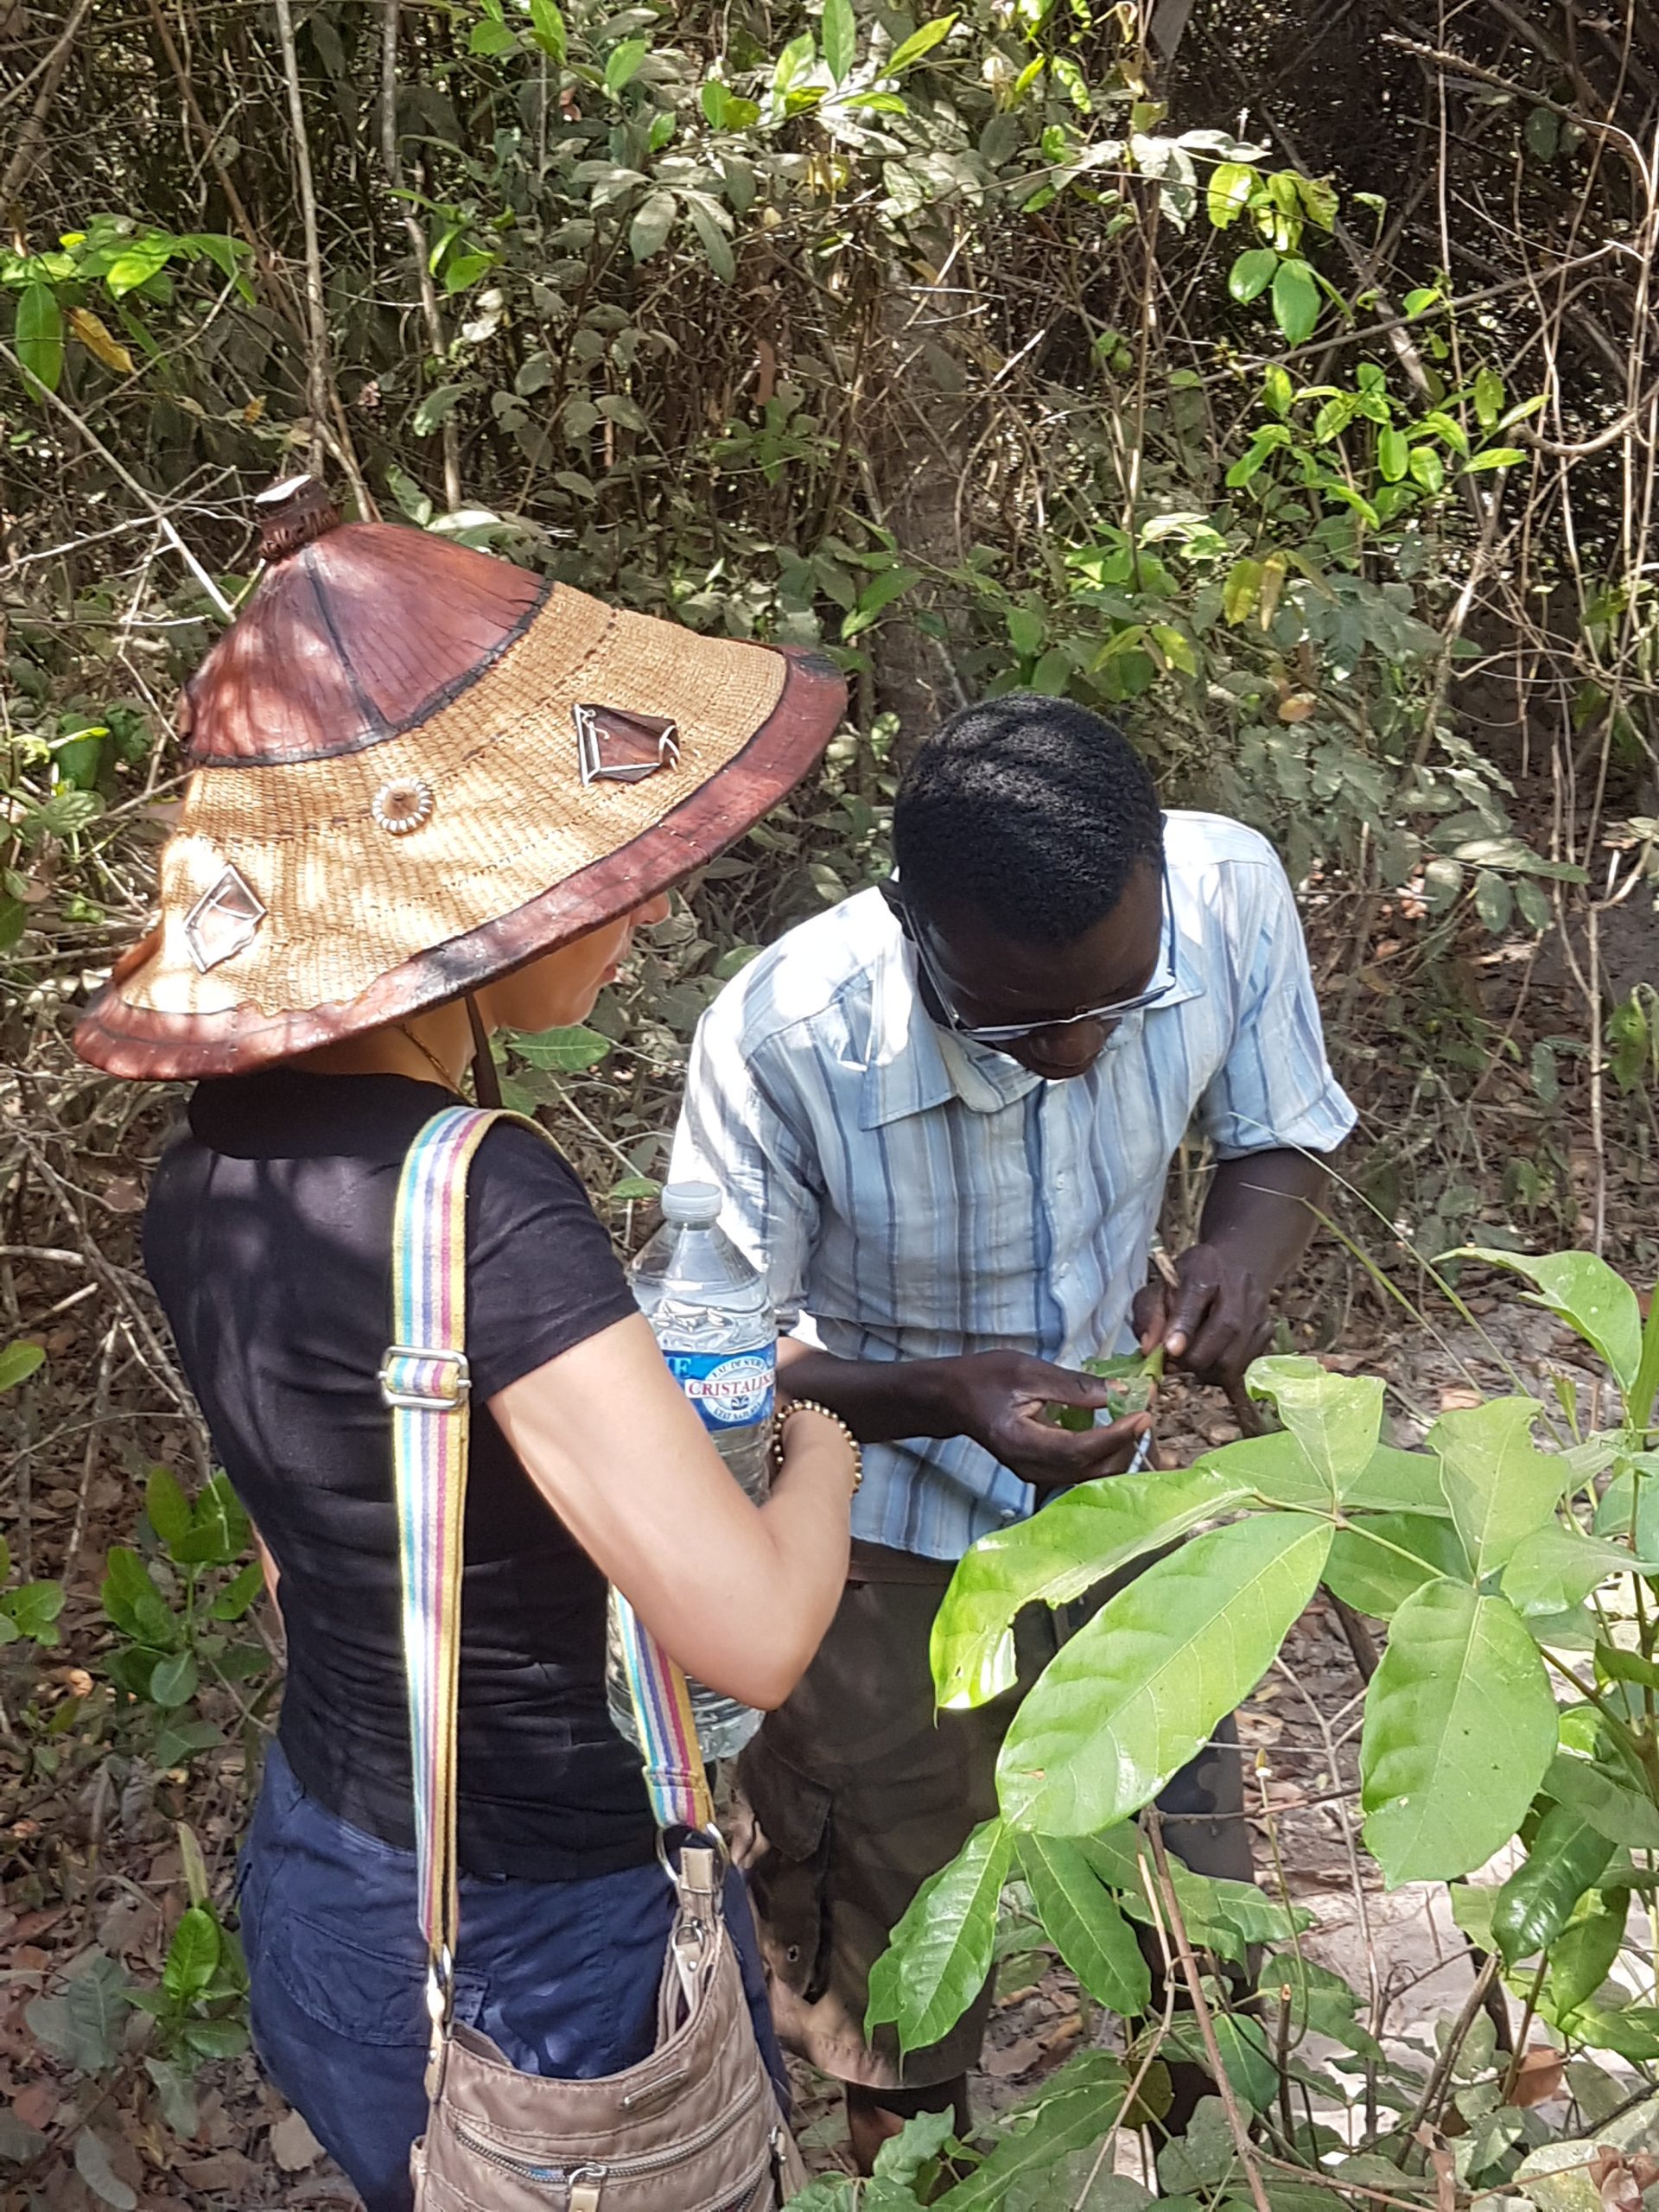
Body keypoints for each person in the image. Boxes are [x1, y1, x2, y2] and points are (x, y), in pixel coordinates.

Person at [74, 475, 861, 2212]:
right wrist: (827, 1439)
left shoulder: (209, 1170)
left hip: (335, 1877)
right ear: (459, 899)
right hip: (540, 1942)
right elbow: (754, 1625)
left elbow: (313, 1558)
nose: (649, 903)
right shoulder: (480, 1198)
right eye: (611, 869)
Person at [671, 692, 1357, 2169]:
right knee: (892, 1952)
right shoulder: (787, 1039)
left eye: (1121, 1002)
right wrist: (933, 1393)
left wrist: (1243, 1253)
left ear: (1160, 889)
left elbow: (1281, 1129)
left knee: (1193, 1900)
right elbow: (715, 1359)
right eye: (1020, 1020)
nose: (1080, 1054)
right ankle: (922, 2189)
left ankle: (1206, 2174)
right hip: (873, 1541)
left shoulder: (1227, 890)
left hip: (1124, 1517)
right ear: (911, 919)